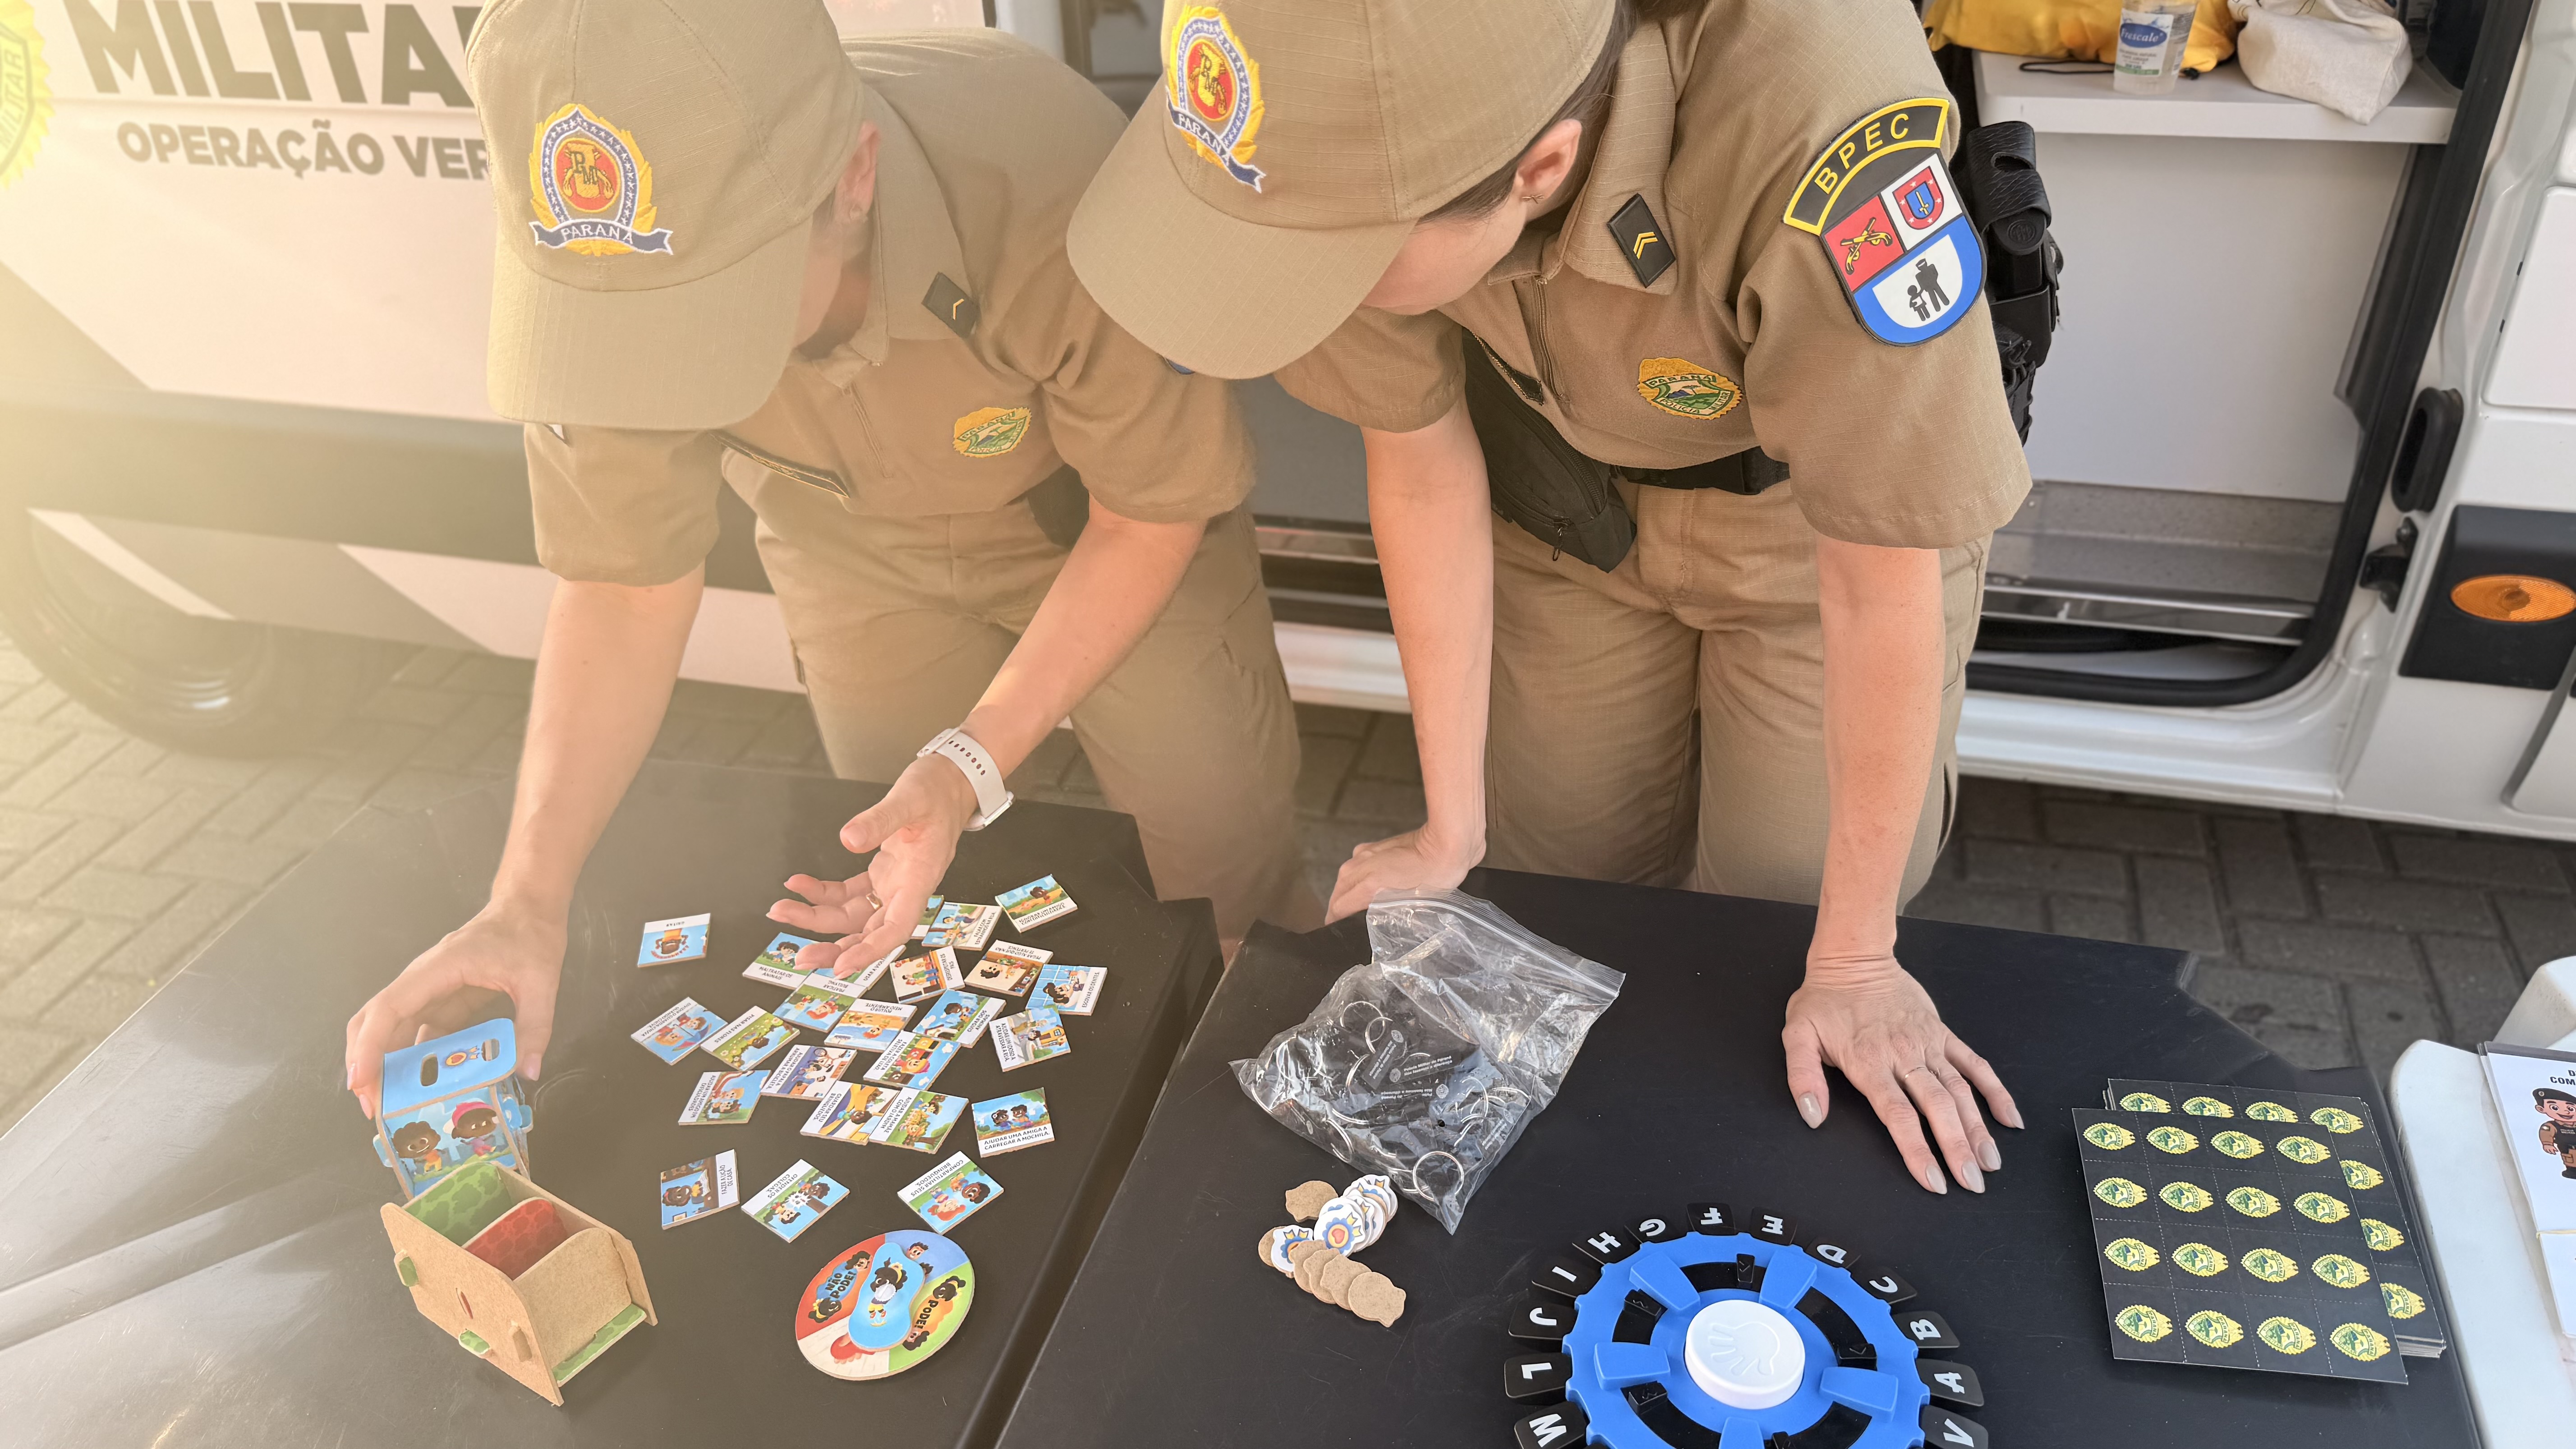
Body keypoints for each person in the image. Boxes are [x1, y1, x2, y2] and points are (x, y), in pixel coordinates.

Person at [1070, 0, 2029, 1193]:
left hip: (1812, 528)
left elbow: (1881, 572)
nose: (1287, 290)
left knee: (1778, 918)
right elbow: (1419, 464)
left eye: (1334, 257)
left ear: (1541, 166)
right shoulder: (1327, 145)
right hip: (1568, 505)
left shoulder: (1818, 111)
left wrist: (1856, 964)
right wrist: (1450, 827)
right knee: (1557, 876)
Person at [345, 0, 1316, 1116]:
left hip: (1098, 521)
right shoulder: (608, 258)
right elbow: (620, 582)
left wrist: (971, 758)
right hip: (846, 544)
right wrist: (525, 899)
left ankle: (1258, 1117)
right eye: (629, 335)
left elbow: (1149, 513)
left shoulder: (1054, 181)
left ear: (856, 177)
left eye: (710, 312)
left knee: (1219, 864)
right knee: (905, 892)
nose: (662, 374)